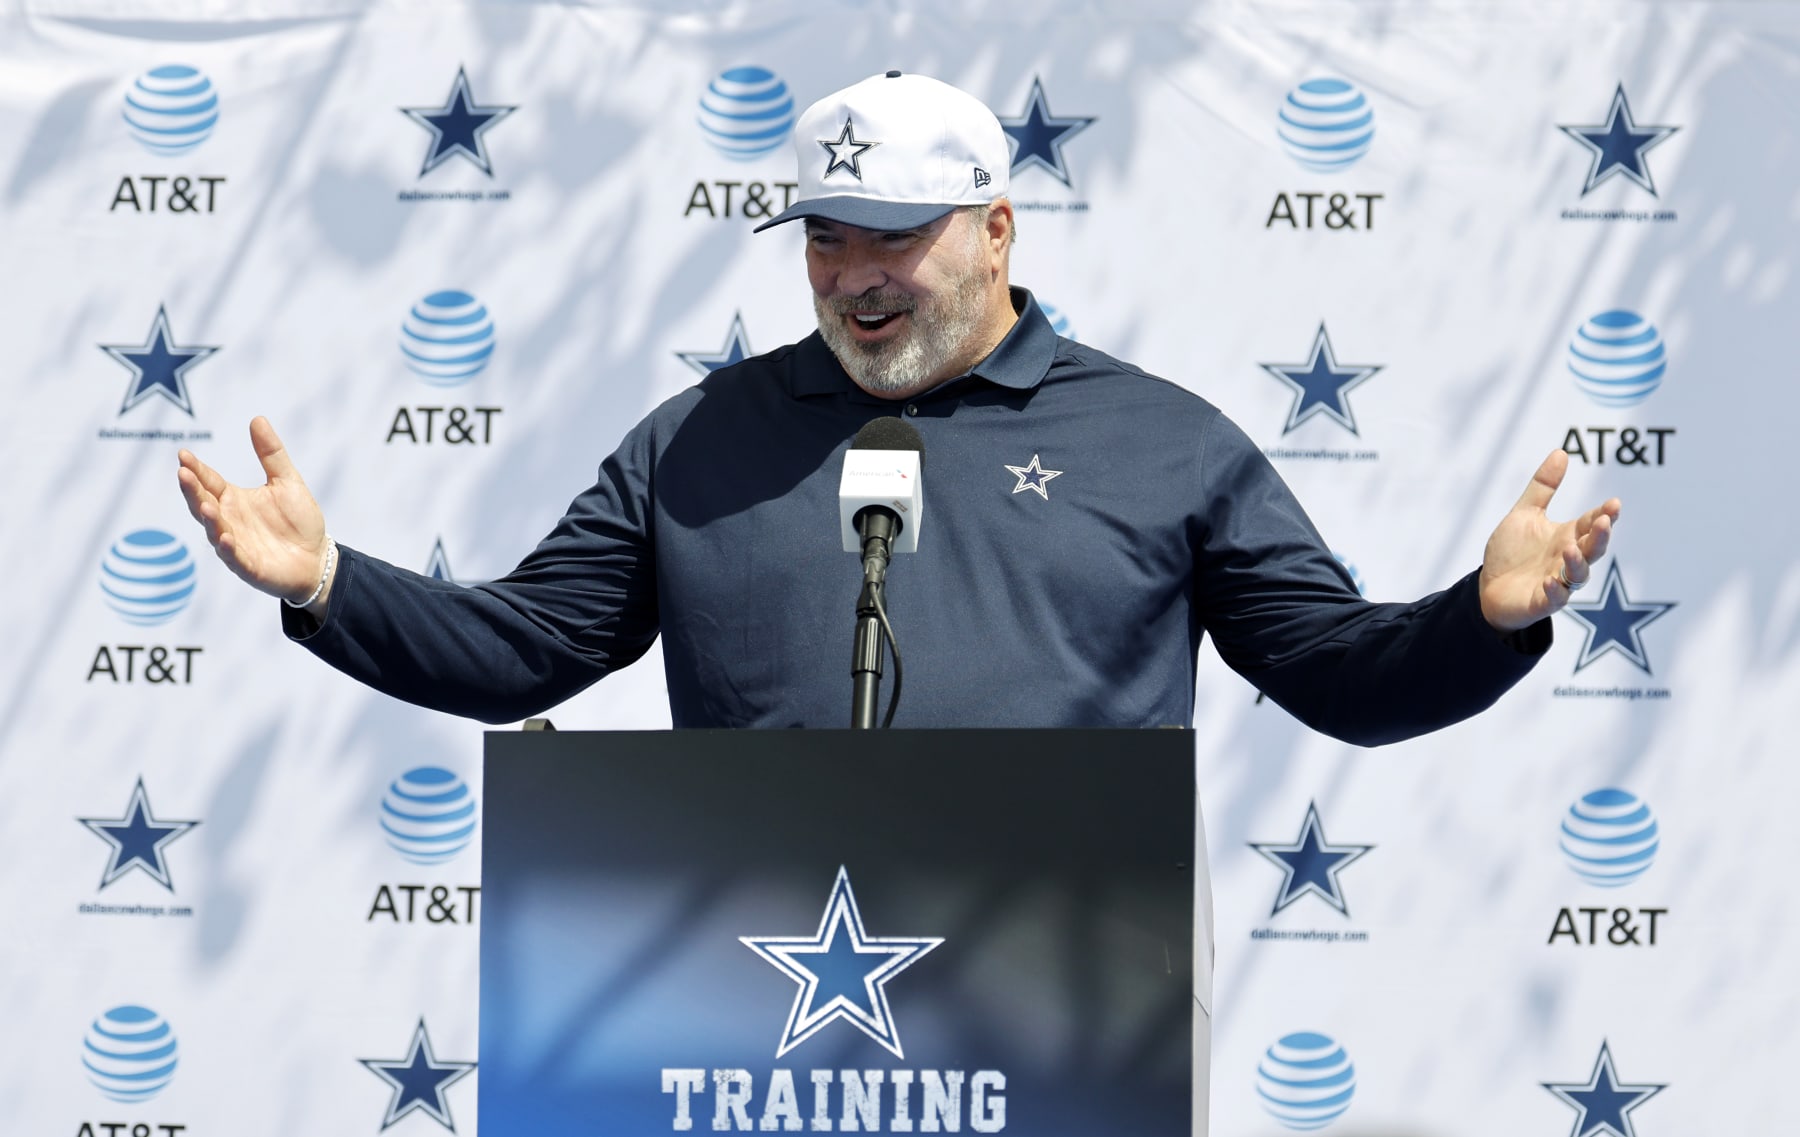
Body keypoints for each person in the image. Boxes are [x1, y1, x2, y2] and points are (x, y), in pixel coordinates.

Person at [176, 70, 1618, 737]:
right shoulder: (704, 440)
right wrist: (327, 582)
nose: (856, 276)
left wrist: (1483, 620)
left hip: (1069, 1008)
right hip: (747, 1017)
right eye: (825, 236)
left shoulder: (1164, 444)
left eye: (897, 234)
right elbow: (524, 648)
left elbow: (1339, 673)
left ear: (999, 230)